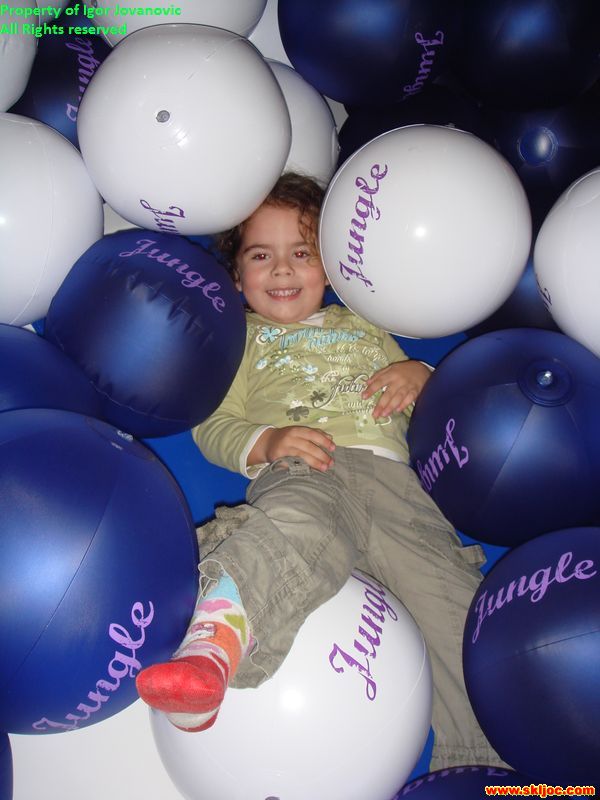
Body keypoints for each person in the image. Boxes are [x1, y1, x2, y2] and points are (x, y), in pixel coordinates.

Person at [136, 172, 506, 770]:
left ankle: (481, 766)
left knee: (453, 607)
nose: (282, 269)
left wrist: (423, 377)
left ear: (330, 270)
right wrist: (267, 441)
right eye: (262, 255)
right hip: (306, 470)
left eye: (302, 254)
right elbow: (214, 424)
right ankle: (213, 648)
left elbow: (436, 412)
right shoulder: (240, 340)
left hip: (397, 490)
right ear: (237, 277)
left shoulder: (366, 328)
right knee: (289, 531)